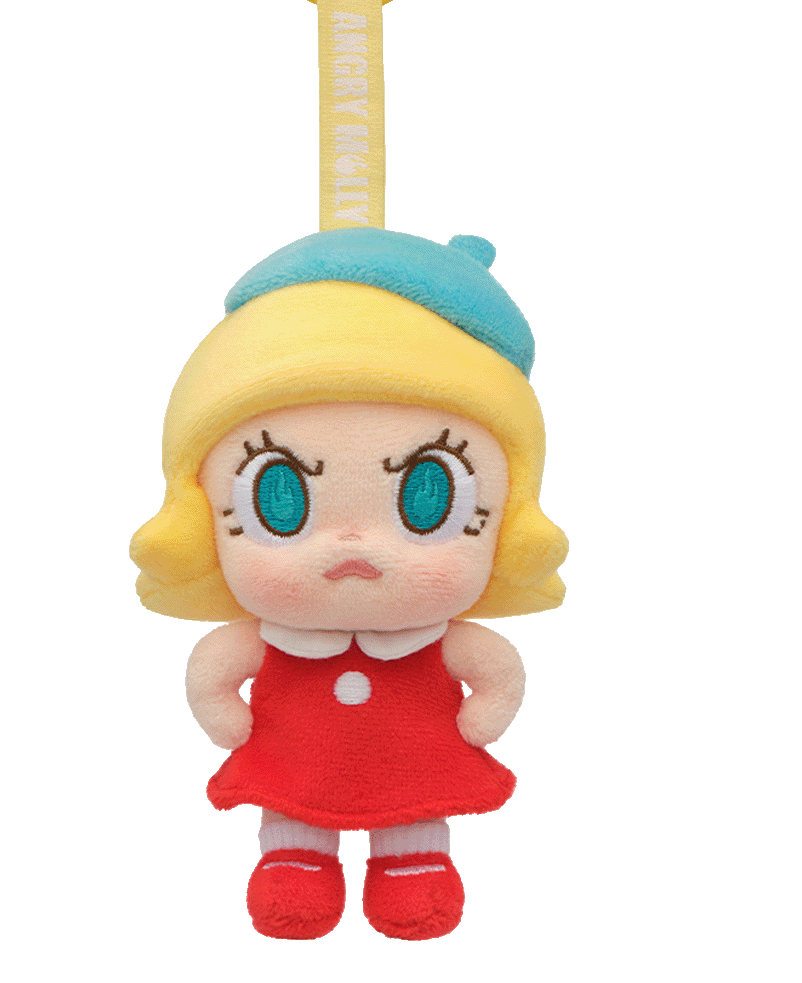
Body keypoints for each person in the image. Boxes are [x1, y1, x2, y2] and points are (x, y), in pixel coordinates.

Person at [131, 228, 567, 940]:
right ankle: (294, 861)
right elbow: (214, 671)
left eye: (427, 499)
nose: (353, 548)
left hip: (414, 764)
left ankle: (412, 865)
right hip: (295, 764)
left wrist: (489, 707)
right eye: (280, 501)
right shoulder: (270, 634)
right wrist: (218, 707)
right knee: (294, 813)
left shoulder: (438, 637)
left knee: (414, 811)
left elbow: (496, 671)